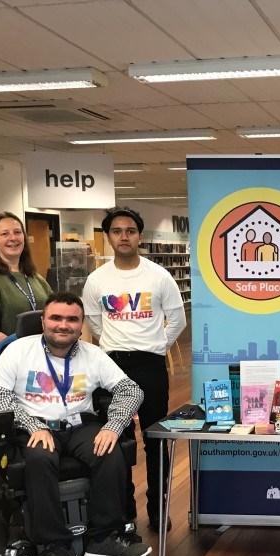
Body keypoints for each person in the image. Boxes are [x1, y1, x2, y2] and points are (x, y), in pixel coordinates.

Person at [0, 292, 150, 556]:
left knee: (109, 452)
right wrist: (32, 425)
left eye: (72, 319)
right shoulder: (17, 350)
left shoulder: (93, 354)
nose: (64, 325)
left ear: (81, 324)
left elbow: (131, 390)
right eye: (56, 318)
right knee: (38, 459)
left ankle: (103, 540)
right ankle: (56, 549)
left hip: (79, 424)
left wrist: (113, 425)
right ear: (43, 321)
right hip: (33, 425)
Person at [82, 207, 187, 533]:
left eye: (130, 230)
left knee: (154, 437)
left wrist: (156, 347)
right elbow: (95, 323)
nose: (123, 236)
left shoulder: (159, 276)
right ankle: (124, 510)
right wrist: (116, 345)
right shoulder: (97, 279)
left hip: (150, 365)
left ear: (139, 236)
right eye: (117, 231)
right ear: (109, 236)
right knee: (117, 441)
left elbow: (178, 320)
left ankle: (158, 508)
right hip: (111, 367)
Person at [0, 212, 52, 365]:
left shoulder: (35, 278)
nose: (13, 238)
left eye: (17, 232)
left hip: (36, 363)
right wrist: (28, 357)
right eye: (5, 234)